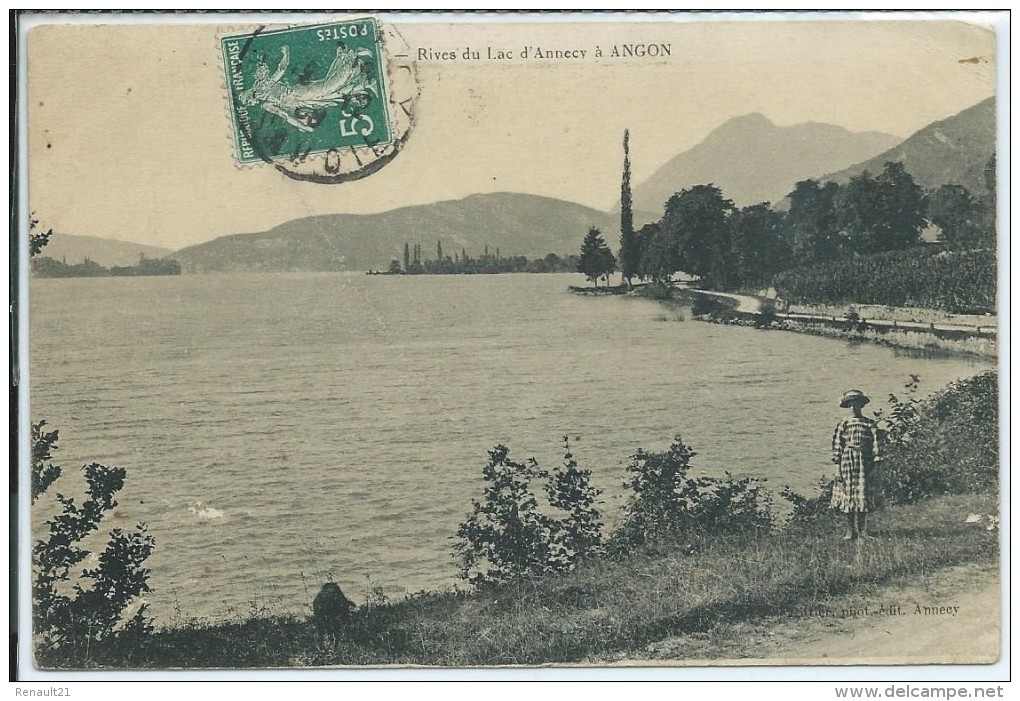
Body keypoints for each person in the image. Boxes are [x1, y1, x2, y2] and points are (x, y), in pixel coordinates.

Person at [830, 389, 881, 539]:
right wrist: (837, 469)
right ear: (847, 406)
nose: (853, 408)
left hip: (864, 462)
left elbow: (876, 446)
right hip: (847, 462)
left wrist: (876, 467)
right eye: (851, 405)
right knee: (848, 495)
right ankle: (850, 530)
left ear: (861, 406)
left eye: (856, 404)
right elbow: (837, 447)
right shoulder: (843, 424)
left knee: (862, 494)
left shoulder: (869, 424)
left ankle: (863, 530)